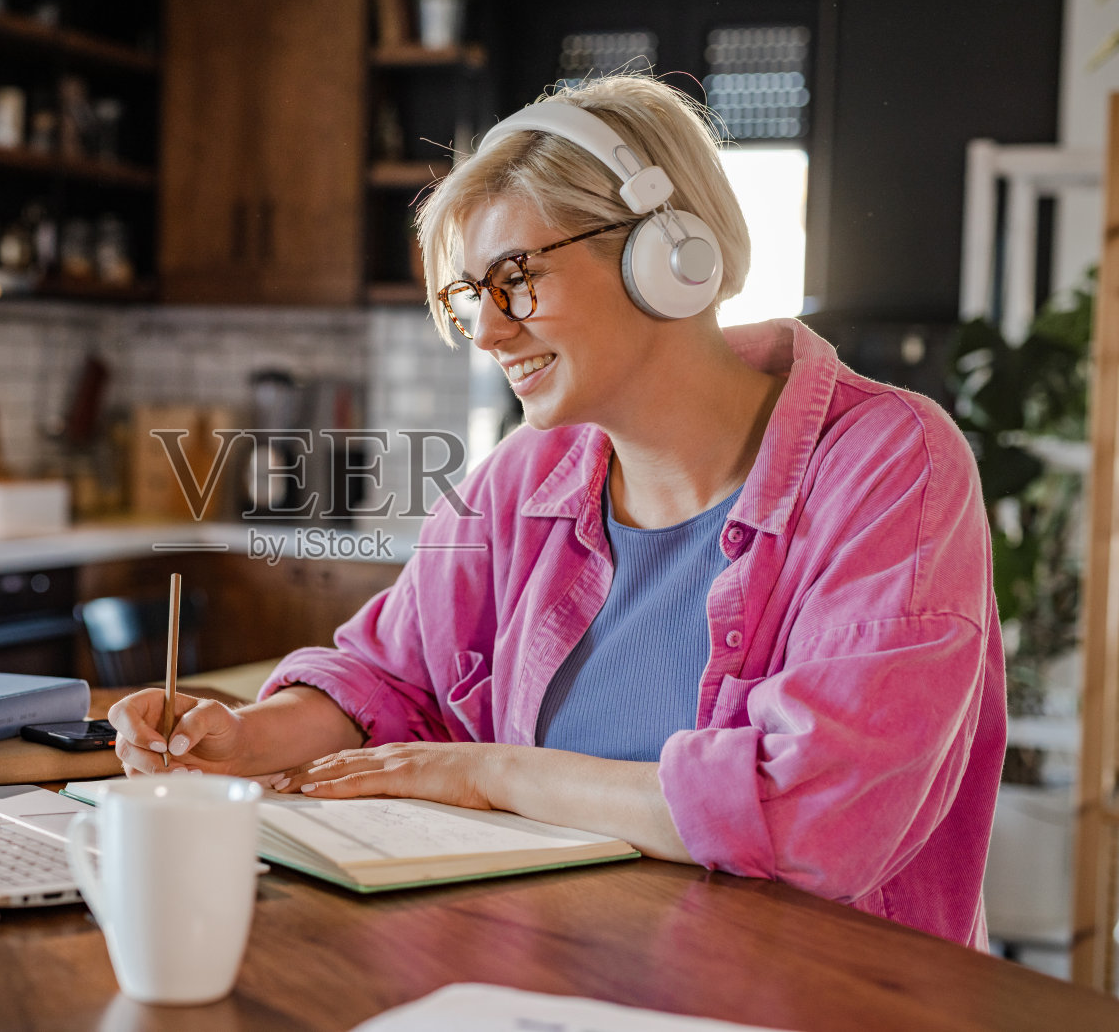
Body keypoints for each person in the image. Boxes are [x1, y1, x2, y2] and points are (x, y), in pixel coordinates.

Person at [109, 73, 1006, 950]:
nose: (491, 332)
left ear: (668, 255)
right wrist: (243, 738)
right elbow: (391, 676)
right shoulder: (523, 475)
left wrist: (493, 772)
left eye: (515, 279)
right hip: (551, 975)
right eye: (471, 298)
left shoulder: (891, 463)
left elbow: (815, 813)